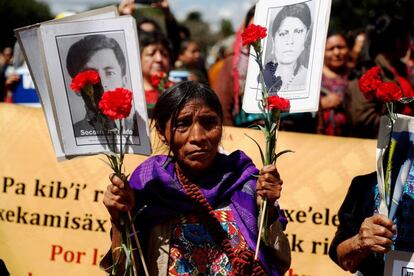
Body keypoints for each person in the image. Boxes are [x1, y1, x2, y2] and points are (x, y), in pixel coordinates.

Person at [101, 81, 291, 275]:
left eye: (209, 122)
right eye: (182, 124)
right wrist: (120, 219)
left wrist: (267, 210)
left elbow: (280, 262)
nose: (198, 136)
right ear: (161, 132)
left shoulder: (245, 182)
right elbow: (124, 271)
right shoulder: (148, 186)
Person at [346, 15, 414, 138]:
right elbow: (363, 119)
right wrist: (406, 127)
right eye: (408, 38)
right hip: (382, 147)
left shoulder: (400, 68)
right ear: (398, 41)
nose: (410, 44)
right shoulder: (369, 72)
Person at [66, 34, 134, 137]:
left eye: (110, 73)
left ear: (124, 79)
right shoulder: (71, 135)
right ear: (77, 88)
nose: (102, 83)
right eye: (91, 75)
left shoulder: (141, 129)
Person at [263, 3, 312, 92]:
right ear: (273, 40)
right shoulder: (259, 77)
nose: (290, 41)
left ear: (306, 36)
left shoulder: (310, 78)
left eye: (298, 32)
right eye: (283, 34)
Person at [316, 32, 350, 136]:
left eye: (341, 47)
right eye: (331, 49)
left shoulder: (355, 75)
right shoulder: (314, 76)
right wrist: (322, 105)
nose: (337, 52)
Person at [138, 30, 172, 117]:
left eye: (164, 54)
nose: (159, 59)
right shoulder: (132, 94)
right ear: (138, 58)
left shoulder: (177, 90)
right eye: (151, 54)